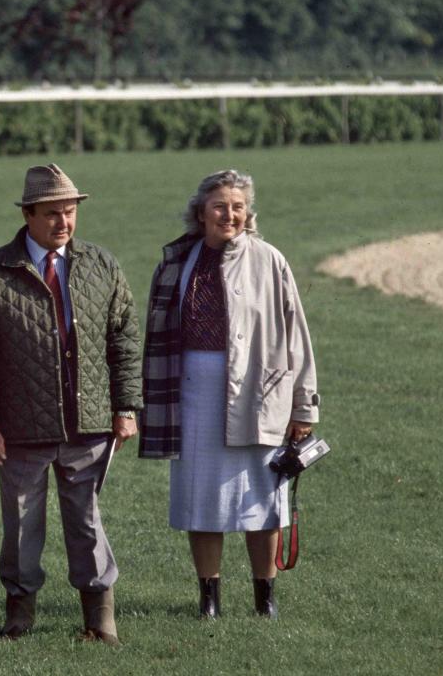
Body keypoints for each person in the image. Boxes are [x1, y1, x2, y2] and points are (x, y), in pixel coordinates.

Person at [0, 164, 142, 645]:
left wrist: (126, 407)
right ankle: (19, 614)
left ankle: (100, 617)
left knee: (87, 522)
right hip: (19, 428)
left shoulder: (102, 265)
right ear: (28, 215)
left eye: (70, 211)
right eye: (53, 213)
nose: (64, 222)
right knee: (20, 528)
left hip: (91, 424)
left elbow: (124, 340)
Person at [139, 169, 320, 620]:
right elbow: (156, 337)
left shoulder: (270, 260)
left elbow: (297, 336)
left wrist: (304, 405)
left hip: (260, 396)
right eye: (220, 206)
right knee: (203, 500)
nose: (230, 214)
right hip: (193, 395)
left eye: (238, 206)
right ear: (200, 213)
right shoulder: (177, 261)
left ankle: (266, 598)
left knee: (263, 499)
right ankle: (209, 599)